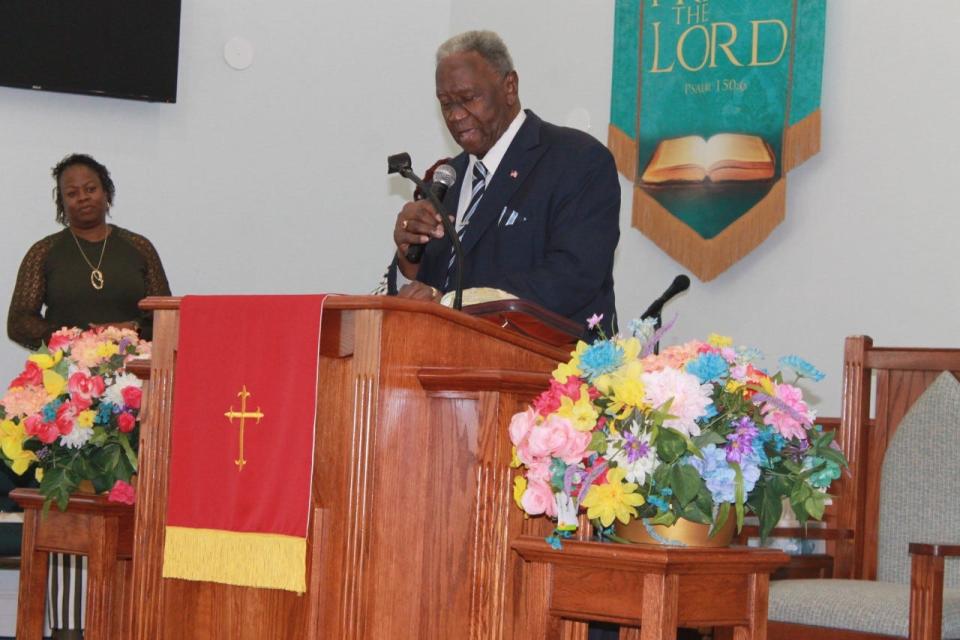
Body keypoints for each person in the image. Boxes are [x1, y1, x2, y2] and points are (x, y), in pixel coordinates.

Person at [5, 153, 171, 640]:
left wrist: (123, 333)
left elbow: (164, 313)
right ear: (62, 202)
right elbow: (19, 320)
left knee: (127, 498)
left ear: (107, 191)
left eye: (91, 188)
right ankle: (70, 626)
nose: (83, 197)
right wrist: (76, 338)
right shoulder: (45, 252)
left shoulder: (137, 247)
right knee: (71, 504)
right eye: (72, 192)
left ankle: (127, 618)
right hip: (64, 396)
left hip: (133, 393)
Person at [386, 30, 620, 334]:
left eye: (468, 99)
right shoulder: (447, 179)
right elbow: (424, 288)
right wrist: (408, 262)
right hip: (445, 366)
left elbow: (572, 276)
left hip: (547, 368)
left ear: (509, 87)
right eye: (445, 104)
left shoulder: (577, 160)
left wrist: (449, 306)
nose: (456, 115)